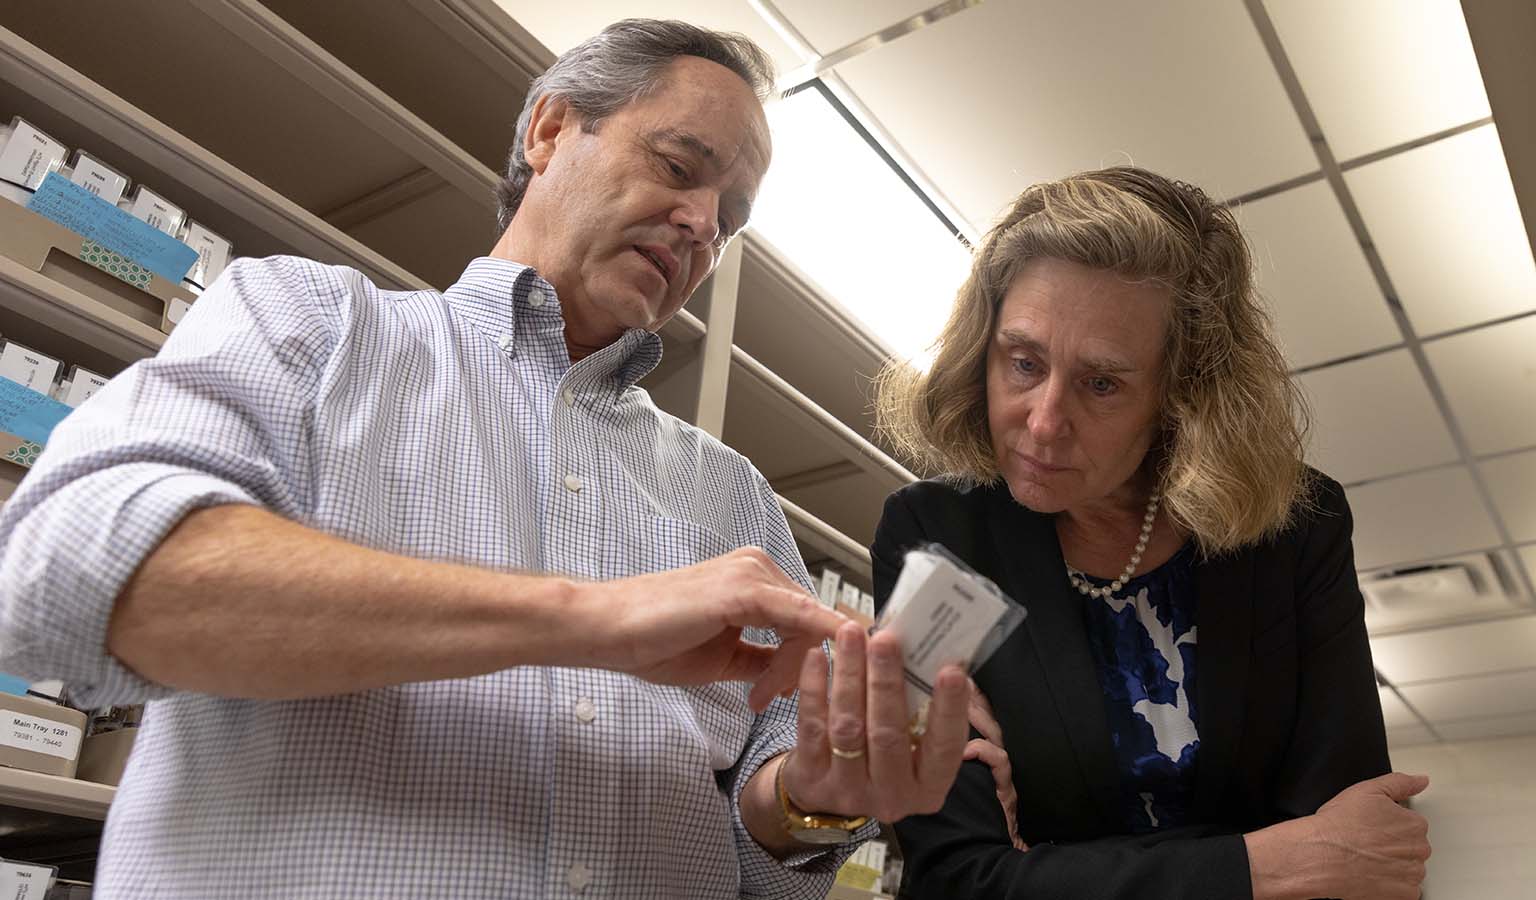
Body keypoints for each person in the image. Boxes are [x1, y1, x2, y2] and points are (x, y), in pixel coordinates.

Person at [0, 20, 972, 899]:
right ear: (549, 131)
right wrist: (586, 616)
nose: (701, 224)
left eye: (730, 215)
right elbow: (62, 577)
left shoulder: (735, 498)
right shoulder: (309, 321)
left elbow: (768, 840)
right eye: (680, 165)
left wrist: (817, 796)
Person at [871, 167, 1432, 900]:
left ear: (1183, 397)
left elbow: (1356, 853)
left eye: (1102, 383)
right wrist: (1266, 863)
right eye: (1023, 362)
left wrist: (1045, 870)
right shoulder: (936, 535)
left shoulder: (1298, 526)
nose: (1042, 421)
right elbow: (958, 878)